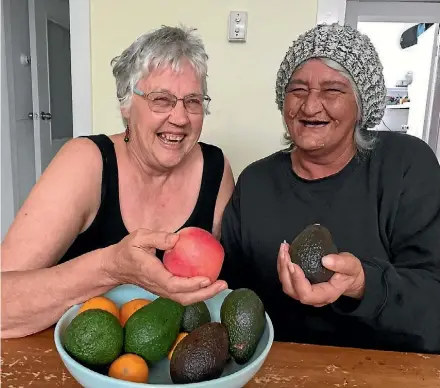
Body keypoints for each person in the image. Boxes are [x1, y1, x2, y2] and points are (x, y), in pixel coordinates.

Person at [2, 25, 234, 339]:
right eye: (161, 100)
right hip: (83, 356)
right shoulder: (85, 161)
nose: (180, 118)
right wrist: (111, 267)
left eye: (192, 101)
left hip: (174, 360)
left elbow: (217, 291)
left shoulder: (216, 169)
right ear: (126, 105)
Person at [220, 23, 440, 354]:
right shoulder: (255, 183)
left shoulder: (406, 166)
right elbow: (233, 296)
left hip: (390, 368)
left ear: (362, 104)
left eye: (332, 91)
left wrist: (362, 283)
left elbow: (433, 300)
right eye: (297, 90)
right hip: (282, 367)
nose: (309, 107)